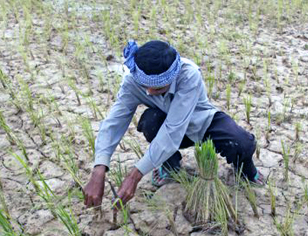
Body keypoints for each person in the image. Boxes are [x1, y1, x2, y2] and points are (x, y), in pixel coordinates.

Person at [83, 40, 266, 209]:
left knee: (242, 143)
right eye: (144, 86)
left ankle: (246, 172)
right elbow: (115, 121)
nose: (149, 92)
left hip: (202, 122)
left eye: (158, 89)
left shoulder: (188, 74)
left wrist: (134, 176)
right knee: (150, 121)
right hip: (166, 125)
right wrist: (99, 169)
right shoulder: (133, 80)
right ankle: (169, 167)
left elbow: (173, 130)